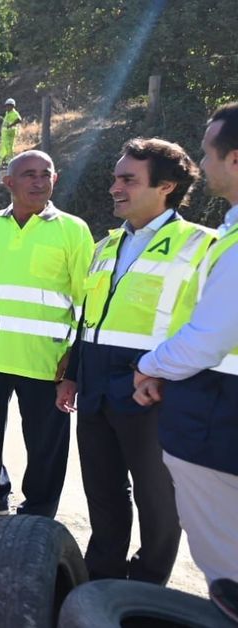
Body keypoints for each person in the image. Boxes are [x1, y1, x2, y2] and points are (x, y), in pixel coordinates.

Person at [57, 138, 210, 584]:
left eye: (128, 179)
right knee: (102, 493)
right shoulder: (106, 245)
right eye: (114, 178)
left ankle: (147, 586)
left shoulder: (199, 245)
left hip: (153, 390)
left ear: (166, 186)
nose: (115, 188)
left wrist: (169, 376)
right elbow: (90, 320)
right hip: (97, 386)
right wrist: (74, 376)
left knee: (157, 498)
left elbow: (208, 327)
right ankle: (102, 576)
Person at [0, 150, 94, 519]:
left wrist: (73, 356)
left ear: (55, 180)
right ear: (8, 183)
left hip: (46, 361)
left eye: (45, 173)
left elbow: (87, 301)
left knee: (45, 442)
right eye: (28, 174)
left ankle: (39, 508)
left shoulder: (73, 230)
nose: (38, 180)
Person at [133, 103, 238, 587]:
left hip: (219, 414)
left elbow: (210, 337)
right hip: (214, 404)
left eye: (208, 154)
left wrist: (152, 365)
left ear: (234, 159)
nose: (205, 164)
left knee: (226, 559)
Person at [0, 98, 22, 168]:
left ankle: (9, 161)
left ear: (12, 106)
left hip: (10, 133)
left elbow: (19, 119)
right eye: (6, 106)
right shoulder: (7, 113)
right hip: (5, 133)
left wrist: (10, 125)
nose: (7, 107)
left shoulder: (14, 113)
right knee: (3, 147)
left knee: (9, 147)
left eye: (8, 106)